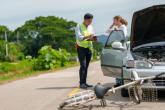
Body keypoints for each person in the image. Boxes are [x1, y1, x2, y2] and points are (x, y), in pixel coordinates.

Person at [75, 13, 96, 89]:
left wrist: (93, 38)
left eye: (91, 21)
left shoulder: (91, 27)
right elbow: (79, 37)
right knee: (83, 65)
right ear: (85, 20)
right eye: (89, 21)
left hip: (89, 48)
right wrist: (87, 36)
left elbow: (92, 35)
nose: (90, 22)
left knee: (86, 66)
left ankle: (84, 82)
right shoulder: (79, 26)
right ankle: (81, 83)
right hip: (81, 47)